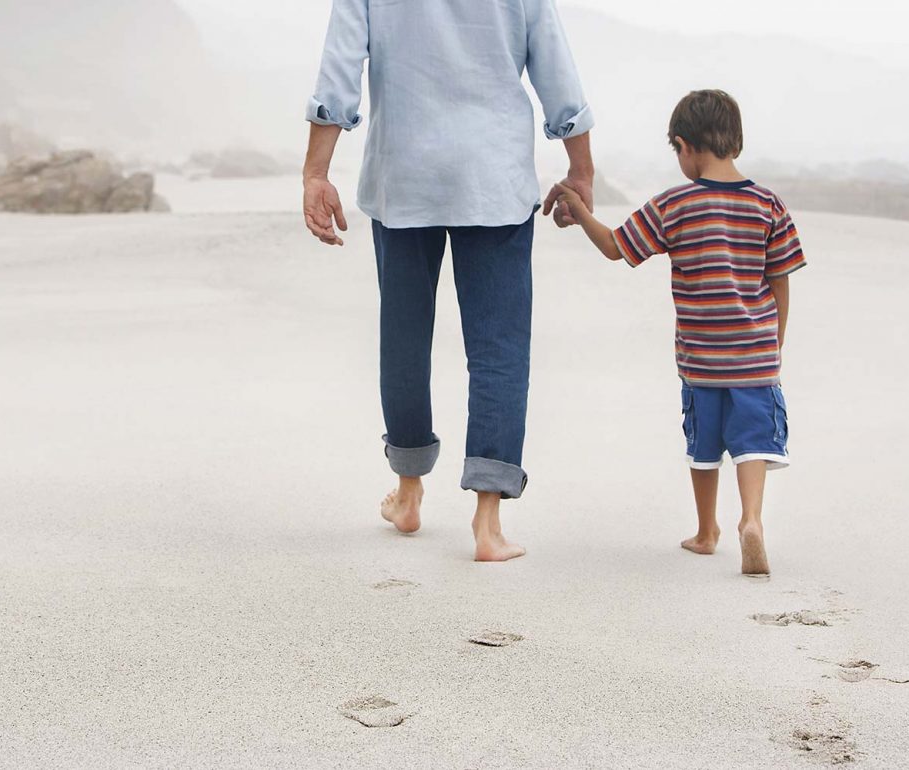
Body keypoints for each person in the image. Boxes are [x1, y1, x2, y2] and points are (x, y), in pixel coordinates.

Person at [302, 0, 595, 561]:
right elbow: (556, 68)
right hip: (494, 178)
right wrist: (580, 167)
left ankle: (409, 491)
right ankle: (488, 522)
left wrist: (317, 171)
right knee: (500, 348)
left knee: (405, 338)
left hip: (404, 177)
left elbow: (338, 72)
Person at [547, 90, 806, 575]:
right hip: (755, 357)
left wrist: (578, 209)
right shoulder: (768, 205)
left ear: (685, 147)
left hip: (701, 359)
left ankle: (707, 531)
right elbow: (781, 277)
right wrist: (777, 338)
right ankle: (751, 519)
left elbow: (616, 247)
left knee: (704, 446)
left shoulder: (675, 204)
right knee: (753, 442)